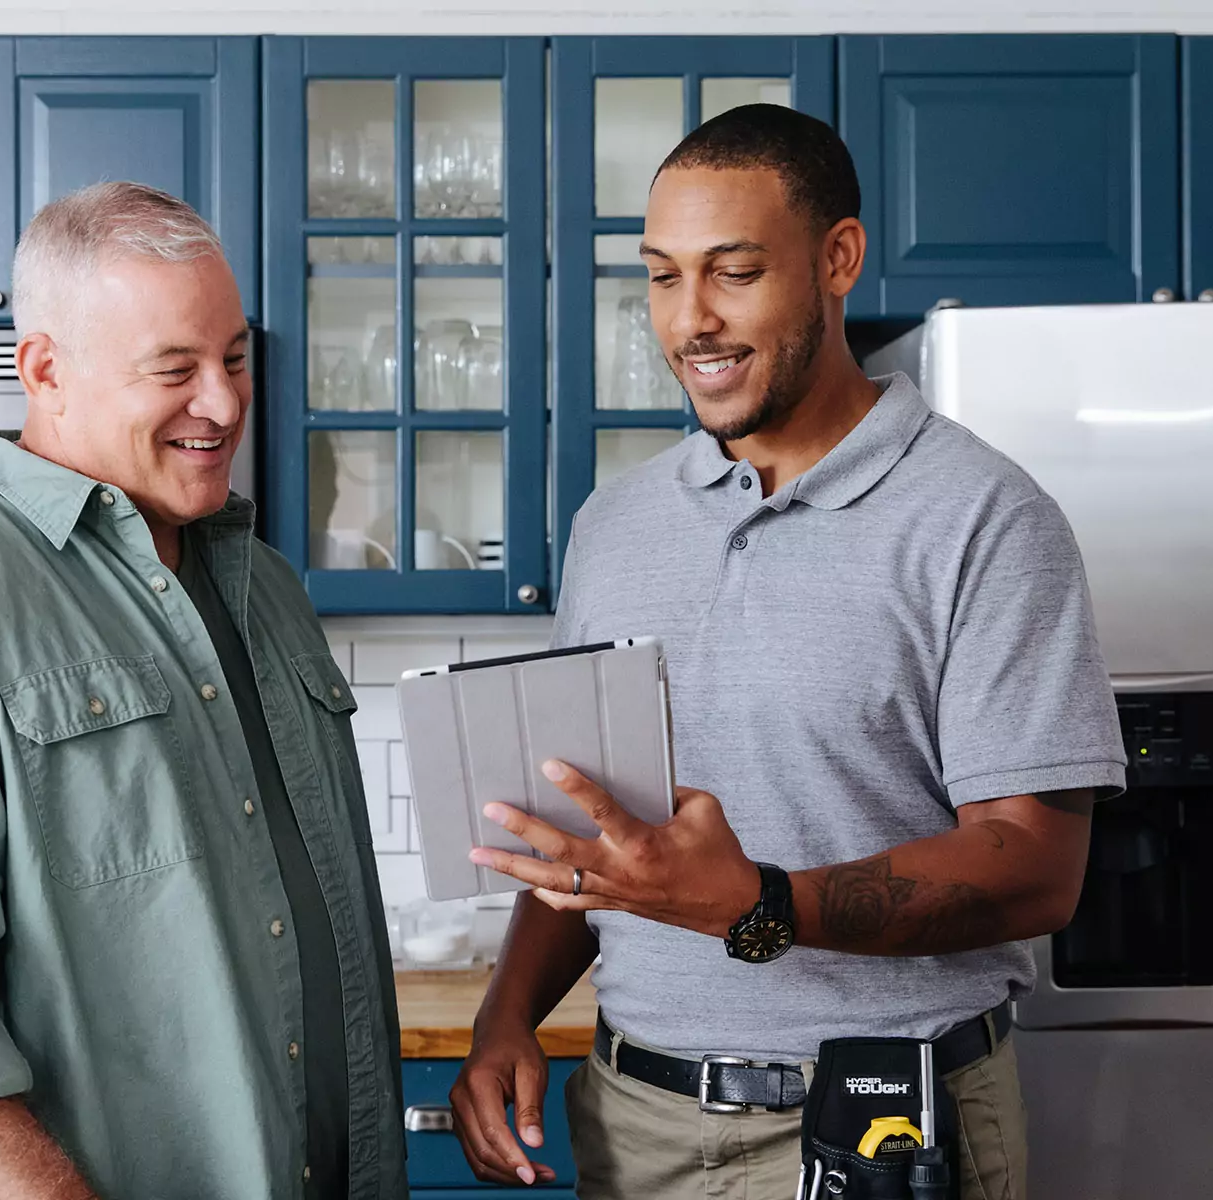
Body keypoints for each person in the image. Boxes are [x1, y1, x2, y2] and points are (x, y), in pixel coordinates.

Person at [448, 104, 1126, 1200]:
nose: (690, 321)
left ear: (838, 260)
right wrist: (504, 1017)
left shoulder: (985, 519)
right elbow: (591, 837)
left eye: (735, 271)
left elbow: (1036, 869)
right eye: (663, 277)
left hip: (882, 1130)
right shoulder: (613, 527)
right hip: (637, 1127)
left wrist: (759, 903)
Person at [0, 181, 407, 1200]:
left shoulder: (266, 589)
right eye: (174, 370)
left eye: (234, 360)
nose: (221, 403)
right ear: (46, 370)